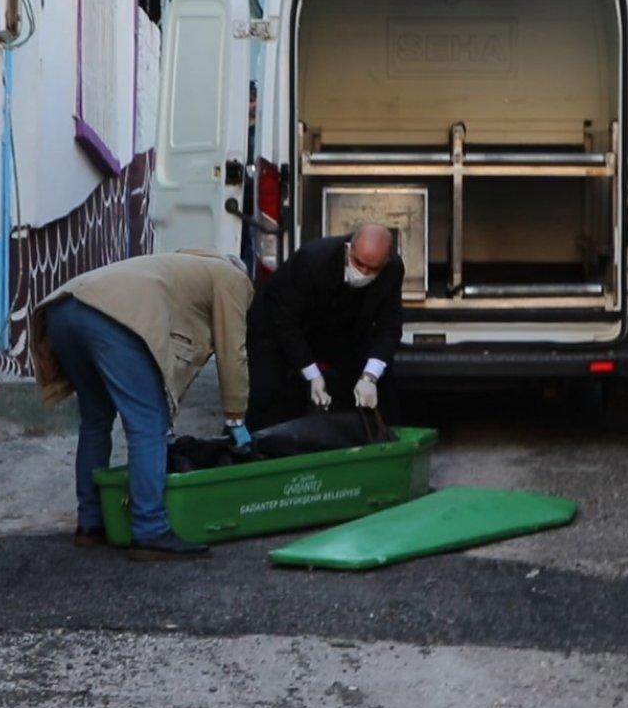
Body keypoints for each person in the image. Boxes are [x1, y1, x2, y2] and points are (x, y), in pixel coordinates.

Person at [30, 251, 254, 560]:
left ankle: (90, 523)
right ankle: (150, 530)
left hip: (62, 311)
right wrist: (236, 416)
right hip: (110, 317)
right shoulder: (233, 278)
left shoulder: (181, 267)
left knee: (95, 420)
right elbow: (233, 352)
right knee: (148, 424)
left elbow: (170, 351)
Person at [246, 224, 404, 431]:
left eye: (372, 268)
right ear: (348, 249)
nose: (363, 272)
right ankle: (250, 443)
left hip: (337, 327)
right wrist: (312, 374)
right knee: (266, 393)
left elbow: (389, 326)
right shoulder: (313, 260)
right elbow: (284, 321)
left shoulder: (393, 269)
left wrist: (369, 377)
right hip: (277, 324)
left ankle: (371, 439)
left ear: (385, 262)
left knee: (378, 386)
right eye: (358, 263)